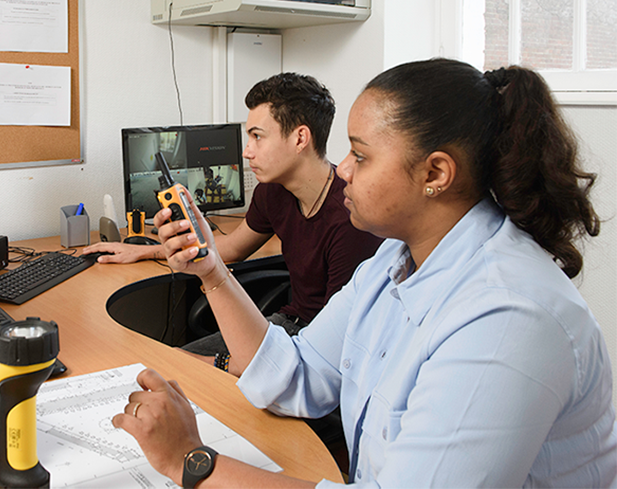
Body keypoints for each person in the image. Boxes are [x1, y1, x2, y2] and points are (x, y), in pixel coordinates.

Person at [113, 58, 616, 488]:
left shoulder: (508, 316)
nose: (343, 170)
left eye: (361, 154)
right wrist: (212, 272)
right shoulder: (392, 261)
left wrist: (192, 461)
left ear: (435, 173)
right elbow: (295, 374)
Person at [84, 73, 382, 375]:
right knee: (168, 363)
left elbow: (334, 352)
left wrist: (220, 363)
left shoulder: (351, 220)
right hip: (285, 326)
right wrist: (146, 251)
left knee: (175, 368)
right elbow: (231, 249)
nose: (246, 151)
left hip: (314, 350)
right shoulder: (273, 191)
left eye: (257, 136)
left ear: (300, 139)